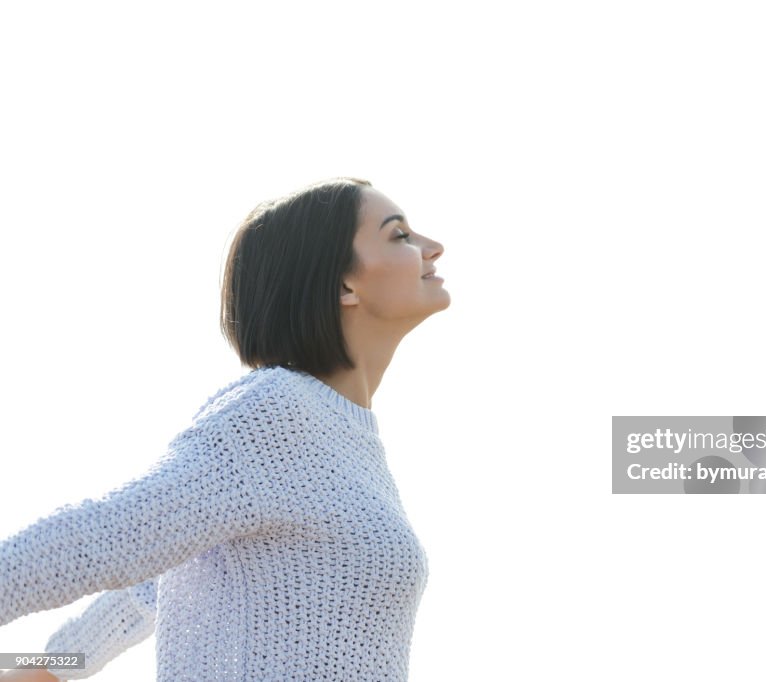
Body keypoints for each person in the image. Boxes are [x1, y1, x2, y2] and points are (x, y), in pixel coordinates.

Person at [0, 177, 449, 681]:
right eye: (399, 235)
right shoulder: (274, 413)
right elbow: (115, 533)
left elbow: (147, 589)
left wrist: (39, 666)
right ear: (344, 284)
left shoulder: (350, 441)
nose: (433, 248)